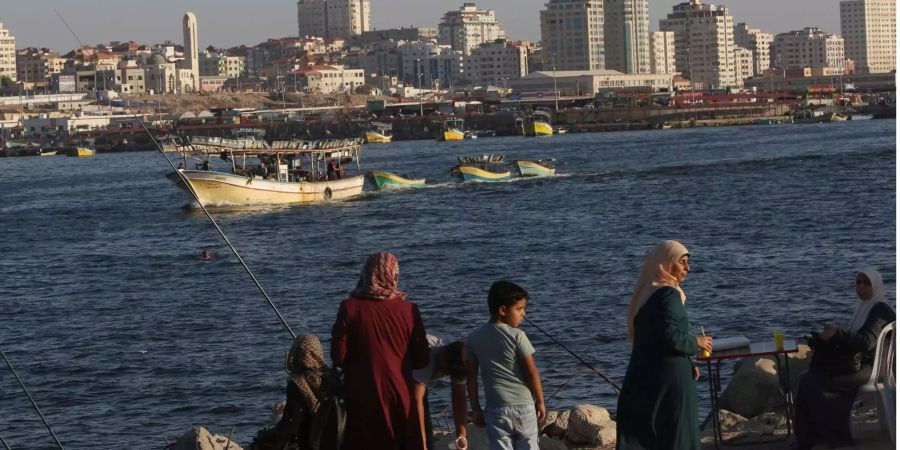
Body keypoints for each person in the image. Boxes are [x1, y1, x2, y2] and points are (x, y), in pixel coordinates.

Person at [616, 240, 712, 450]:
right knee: (677, 436)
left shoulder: (646, 293)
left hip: (649, 376)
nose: (688, 268)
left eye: (688, 262)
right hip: (671, 384)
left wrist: (688, 361)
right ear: (666, 264)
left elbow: (655, 336)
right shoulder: (668, 294)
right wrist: (696, 342)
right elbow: (670, 335)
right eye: (682, 262)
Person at [331, 252, 431, 450]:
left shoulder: (350, 308)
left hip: (362, 394)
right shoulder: (409, 310)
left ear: (366, 273)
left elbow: (339, 356)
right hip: (400, 394)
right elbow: (422, 360)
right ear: (394, 275)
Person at [793, 267, 895, 449]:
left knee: (813, 381)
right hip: (859, 364)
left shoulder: (880, 310)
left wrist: (838, 333)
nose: (861, 287)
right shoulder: (865, 307)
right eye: (858, 282)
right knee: (808, 378)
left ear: (876, 286)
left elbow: (866, 342)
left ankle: (829, 435)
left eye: (866, 283)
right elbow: (857, 338)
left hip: (870, 368)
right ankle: (812, 436)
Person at [466, 280, 545, 450]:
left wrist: (475, 408)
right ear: (502, 310)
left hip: (496, 409)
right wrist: (540, 401)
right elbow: (532, 372)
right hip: (524, 407)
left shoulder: (473, 338)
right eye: (519, 309)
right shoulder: (518, 335)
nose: (524, 314)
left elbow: (471, 378)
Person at [249, 334, 327, 450]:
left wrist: (265, 444)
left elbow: (291, 423)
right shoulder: (328, 378)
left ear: (296, 353)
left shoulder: (298, 383)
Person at [412, 335, 468, 450]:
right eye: (446, 369)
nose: (446, 373)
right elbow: (415, 403)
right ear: (443, 357)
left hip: (417, 381)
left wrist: (461, 439)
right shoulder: (427, 359)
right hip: (399, 373)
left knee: (427, 437)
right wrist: (422, 444)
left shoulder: (461, 361)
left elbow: (459, 399)